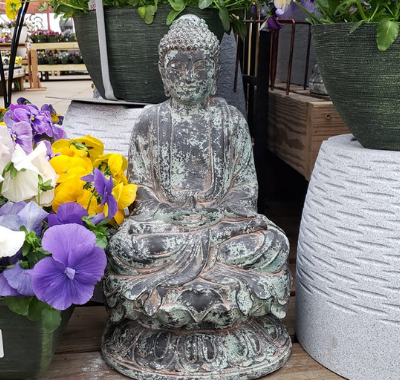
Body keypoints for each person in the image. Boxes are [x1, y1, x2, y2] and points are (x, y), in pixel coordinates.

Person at [104, 15, 291, 329]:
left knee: (272, 243)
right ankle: (218, 296)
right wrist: (168, 213)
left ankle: (176, 300)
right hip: (166, 231)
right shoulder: (149, 121)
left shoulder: (231, 120)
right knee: (124, 248)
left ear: (215, 72)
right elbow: (139, 189)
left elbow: (245, 188)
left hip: (221, 228)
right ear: (163, 72)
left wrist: (216, 213)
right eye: (177, 67)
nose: (188, 76)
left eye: (200, 67)